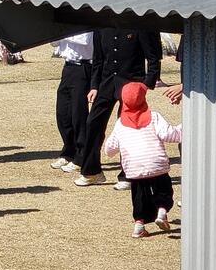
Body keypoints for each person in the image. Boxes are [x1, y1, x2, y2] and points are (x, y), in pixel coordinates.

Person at [74, 28, 162, 188]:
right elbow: (98, 59)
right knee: (93, 123)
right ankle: (92, 171)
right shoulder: (101, 28)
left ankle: (127, 175)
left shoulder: (138, 26)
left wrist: (145, 85)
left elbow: (153, 58)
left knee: (128, 129)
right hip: (106, 83)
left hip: (131, 83)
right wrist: (94, 86)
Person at [104, 82, 181, 238]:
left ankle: (139, 224)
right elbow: (170, 135)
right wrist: (184, 128)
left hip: (134, 168)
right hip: (156, 164)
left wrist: (110, 151)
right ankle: (162, 211)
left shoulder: (120, 124)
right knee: (163, 190)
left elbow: (109, 149)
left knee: (139, 195)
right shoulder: (154, 117)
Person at [49, 33, 93, 174]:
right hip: (68, 67)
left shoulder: (85, 24)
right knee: (63, 113)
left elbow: (85, 40)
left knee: (78, 114)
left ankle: (81, 157)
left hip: (83, 67)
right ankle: (69, 151)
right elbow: (54, 43)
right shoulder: (67, 28)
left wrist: (63, 33)